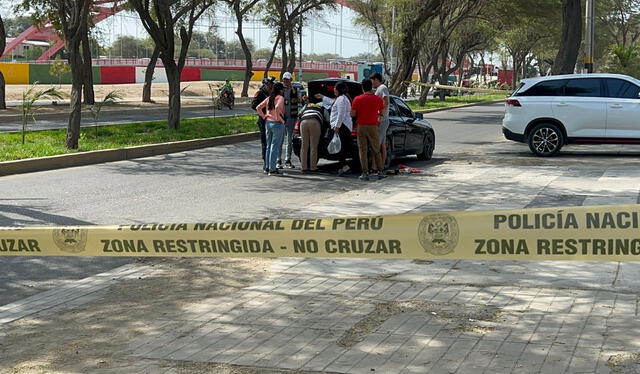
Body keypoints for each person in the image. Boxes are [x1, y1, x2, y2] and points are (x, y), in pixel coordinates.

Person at [315, 81, 353, 176]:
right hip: (341, 126)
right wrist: (323, 97)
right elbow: (332, 102)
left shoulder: (342, 99)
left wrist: (337, 126)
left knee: (338, 147)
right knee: (340, 147)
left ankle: (344, 167)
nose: (334, 90)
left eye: (335, 88)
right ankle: (342, 167)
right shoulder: (341, 99)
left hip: (341, 127)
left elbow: (341, 114)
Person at [351, 79, 385, 181]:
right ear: (371, 87)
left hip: (361, 126)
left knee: (362, 150)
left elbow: (352, 114)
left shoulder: (357, 99)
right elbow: (382, 113)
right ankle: (380, 171)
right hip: (373, 126)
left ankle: (365, 173)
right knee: (376, 149)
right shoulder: (377, 99)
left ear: (362, 88)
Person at [256, 82, 286, 176]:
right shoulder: (280, 98)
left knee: (269, 146)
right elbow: (277, 107)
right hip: (277, 124)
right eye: (283, 89)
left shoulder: (269, 98)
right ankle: (273, 169)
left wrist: (264, 116)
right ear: (280, 90)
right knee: (275, 146)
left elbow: (258, 108)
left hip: (268, 123)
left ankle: (268, 167)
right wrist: (279, 118)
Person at [279, 72, 305, 169]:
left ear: (291, 80)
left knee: (289, 139)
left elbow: (301, 101)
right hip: (281, 118)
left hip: (291, 118)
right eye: (284, 79)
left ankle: (287, 160)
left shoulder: (295, 90)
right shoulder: (279, 90)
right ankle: (278, 160)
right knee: (280, 140)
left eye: (288, 79)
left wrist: (303, 100)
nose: (286, 81)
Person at [252, 76, 275, 172]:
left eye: (272, 84)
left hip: (273, 120)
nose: (271, 86)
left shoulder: (273, 93)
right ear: (265, 85)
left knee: (273, 143)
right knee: (265, 142)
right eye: (269, 84)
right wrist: (264, 113)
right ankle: (266, 163)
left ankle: (273, 162)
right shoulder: (260, 93)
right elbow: (254, 105)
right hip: (263, 120)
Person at [370, 72, 390, 171]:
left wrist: (380, 114)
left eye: (372, 81)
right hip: (382, 120)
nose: (371, 83)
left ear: (376, 79)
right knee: (382, 144)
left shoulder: (382, 88)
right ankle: (381, 166)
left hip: (382, 120)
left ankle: (374, 166)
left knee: (376, 144)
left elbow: (385, 101)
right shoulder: (378, 89)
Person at [298, 103, 324, 173]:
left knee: (304, 146)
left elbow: (299, 113)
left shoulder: (307, 105)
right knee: (313, 147)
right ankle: (313, 167)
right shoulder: (322, 106)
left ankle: (304, 168)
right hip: (314, 121)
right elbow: (328, 119)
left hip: (303, 122)